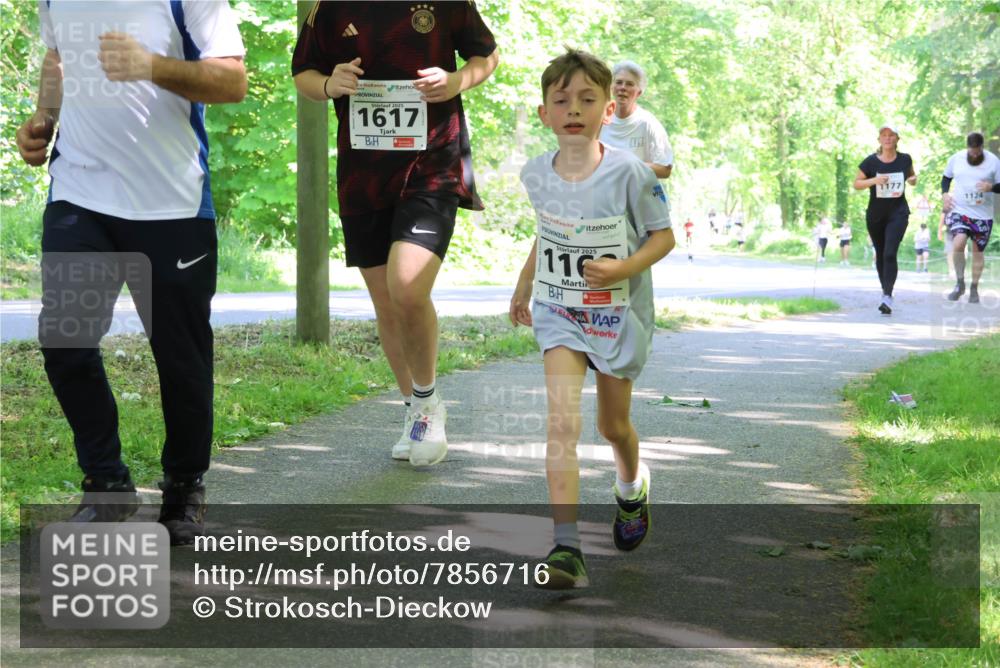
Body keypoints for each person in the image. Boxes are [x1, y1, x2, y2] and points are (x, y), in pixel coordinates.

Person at [14, 1, 247, 544]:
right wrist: (44, 118)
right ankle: (107, 484)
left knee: (180, 354)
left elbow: (232, 82)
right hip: (80, 192)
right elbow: (58, 57)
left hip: (172, 202)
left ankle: (184, 485)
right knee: (64, 339)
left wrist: (152, 66)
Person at [292, 2, 498, 466]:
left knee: (407, 286)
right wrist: (328, 85)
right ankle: (414, 409)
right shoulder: (329, 7)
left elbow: (487, 54)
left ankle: (426, 404)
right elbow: (303, 72)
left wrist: (456, 80)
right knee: (387, 300)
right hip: (363, 177)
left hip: (432, 167)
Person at [509, 49, 674, 589]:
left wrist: (623, 267)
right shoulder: (537, 172)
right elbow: (551, 230)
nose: (573, 109)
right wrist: (525, 283)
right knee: (562, 423)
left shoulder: (630, 172)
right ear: (544, 113)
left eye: (587, 99)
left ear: (608, 109)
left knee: (611, 426)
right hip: (559, 311)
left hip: (616, 312)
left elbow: (663, 236)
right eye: (562, 101)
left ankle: (631, 488)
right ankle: (566, 548)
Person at [853, 124, 917, 315]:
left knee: (890, 252)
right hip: (876, 214)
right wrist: (874, 181)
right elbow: (857, 184)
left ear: (897, 139)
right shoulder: (870, 162)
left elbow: (912, 176)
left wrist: (913, 180)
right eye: (884, 135)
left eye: (891, 135)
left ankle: (887, 296)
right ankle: (885, 292)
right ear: (879, 139)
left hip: (898, 212)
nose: (888, 138)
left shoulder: (905, 159)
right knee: (881, 254)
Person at [941, 132, 1000, 303]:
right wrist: (945, 194)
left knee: (977, 251)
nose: (974, 155)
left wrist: (991, 187)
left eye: (977, 152)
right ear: (967, 147)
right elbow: (946, 178)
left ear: (982, 147)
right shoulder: (957, 158)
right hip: (960, 210)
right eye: (971, 151)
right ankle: (960, 283)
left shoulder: (993, 161)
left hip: (983, 215)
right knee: (958, 243)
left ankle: (974, 287)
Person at [601, 61, 673, 180]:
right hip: (605, 195)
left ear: (639, 92)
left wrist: (628, 167)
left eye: (629, 84)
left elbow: (665, 169)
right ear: (612, 87)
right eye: (619, 82)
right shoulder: (599, 121)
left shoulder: (648, 123)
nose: (623, 88)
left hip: (638, 195)